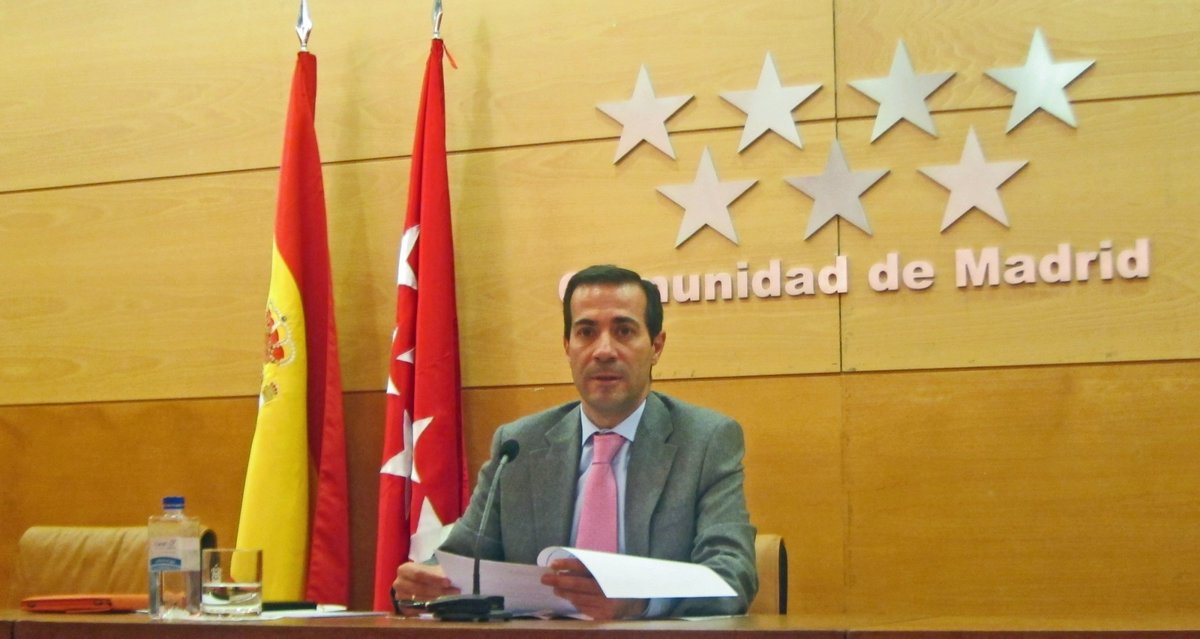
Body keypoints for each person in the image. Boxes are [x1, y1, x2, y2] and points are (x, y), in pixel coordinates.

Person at [393, 264, 756, 619]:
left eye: (624, 331)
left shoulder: (705, 442)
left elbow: (731, 574)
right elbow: (457, 562)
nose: (604, 350)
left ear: (656, 346)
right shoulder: (518, 447)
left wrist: (640, 602)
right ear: (568, 346)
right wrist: (423, 584)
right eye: (586, 332)